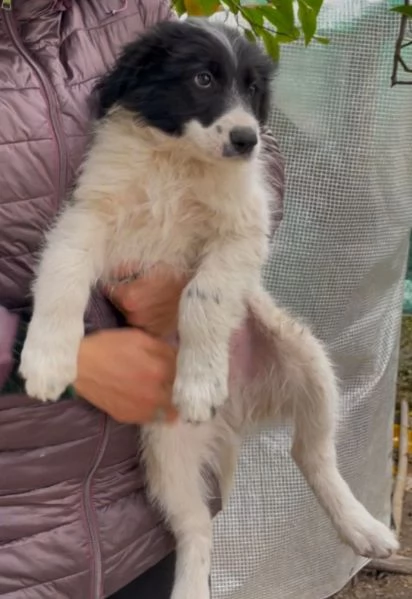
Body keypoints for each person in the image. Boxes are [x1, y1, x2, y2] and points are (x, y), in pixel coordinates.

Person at [0, 1, 285, 598]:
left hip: (138, 513)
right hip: (21, 525)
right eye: (206, 80)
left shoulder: (126, 6)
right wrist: (56, 356)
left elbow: (255, 155)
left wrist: (188, 281)